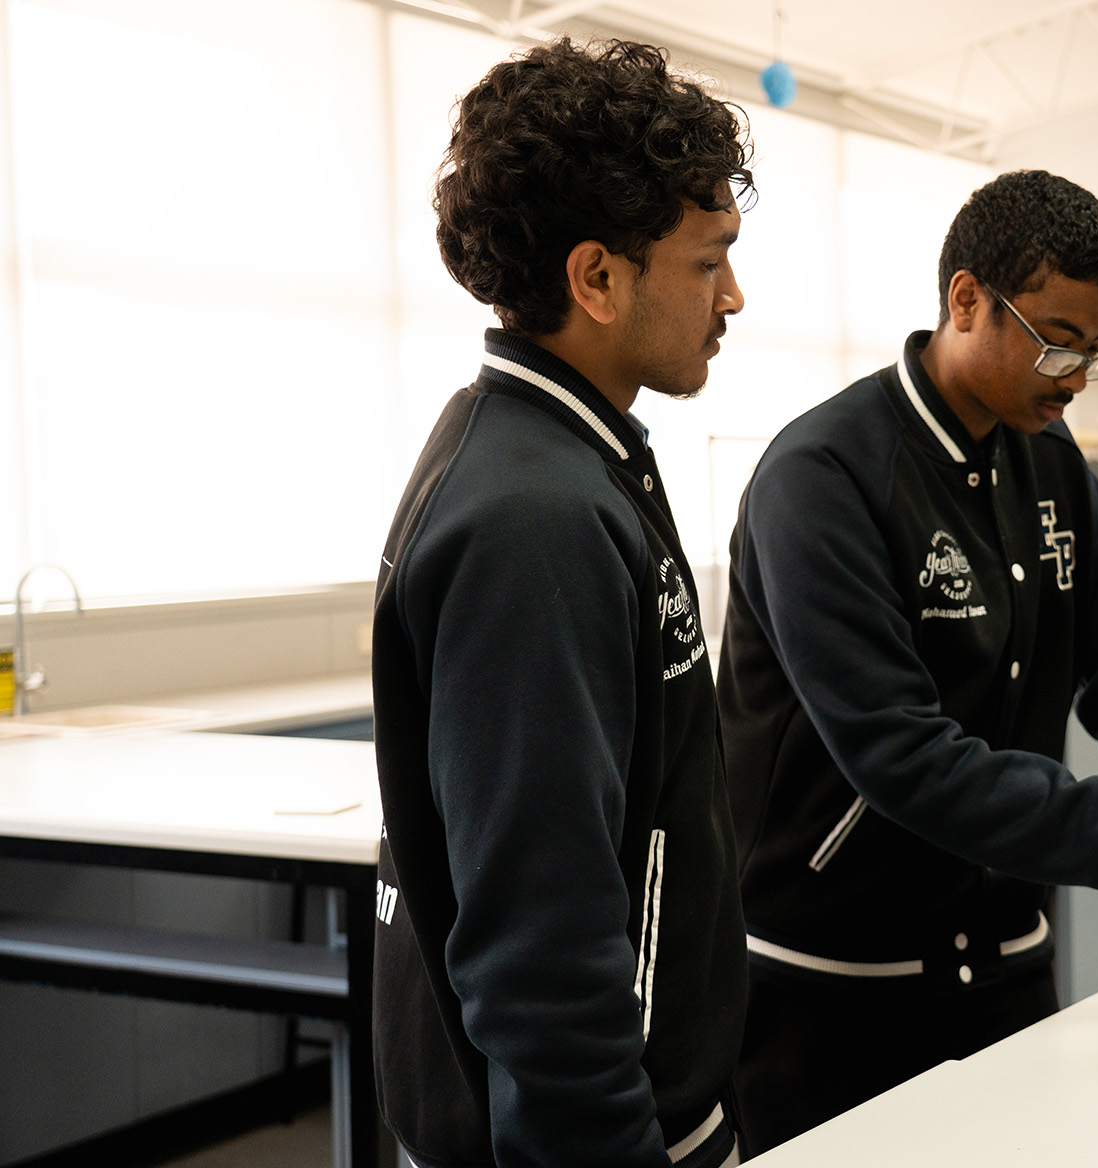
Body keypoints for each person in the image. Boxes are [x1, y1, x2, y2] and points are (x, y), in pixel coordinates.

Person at [716, 169, 1098, 1153]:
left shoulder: (1053, 467)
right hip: (833, 990)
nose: (1076, 376)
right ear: (967, 299)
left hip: (1007, 969)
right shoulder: (825, 477)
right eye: (1058, 340)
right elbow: (902, 759)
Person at [370, 39, 752, 1168]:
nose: (733, 297)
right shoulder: (531, 518)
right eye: (709, 262)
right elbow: (540, 940)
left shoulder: (569, 455)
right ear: (597, 278)